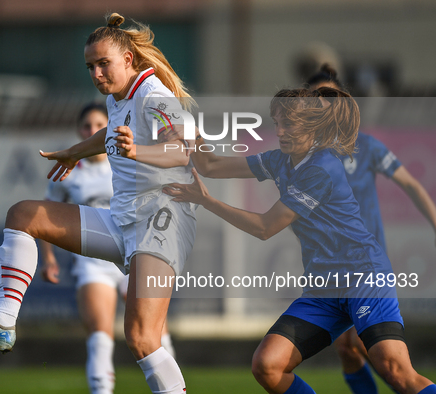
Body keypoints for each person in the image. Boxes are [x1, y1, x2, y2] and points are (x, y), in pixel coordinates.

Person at [0, 13, 195, 394]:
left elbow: (182, 151)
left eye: (103, 64)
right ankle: (2, 323)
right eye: (90, 66)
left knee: (142, 339)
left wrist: (138, 149)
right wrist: (75, 153)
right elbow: (110, 134)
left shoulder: (153, 94)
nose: (96, 74)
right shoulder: (118, 97)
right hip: (123, 222)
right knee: (23, 215)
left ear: (128, 60)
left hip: (160, 227)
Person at [164, 87, 436, 394]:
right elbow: (211, 166)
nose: (279, 131)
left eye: (288, 124)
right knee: (267, 365)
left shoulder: (321, 168)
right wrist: (193, 135)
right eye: (276, 122)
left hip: (364, 277)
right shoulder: (280, 161)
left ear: (312, 127)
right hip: (323, 288)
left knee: (395, 371)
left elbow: (265, 227)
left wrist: (207, 201)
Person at [307, 64, 436, 394]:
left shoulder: (366, 145)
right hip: (332, 268)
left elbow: (411, 185)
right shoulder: (306, 155)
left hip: (366, 265)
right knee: (350, 349)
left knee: (380, 357)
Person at [40, 102, 176, 394]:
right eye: (87, 126)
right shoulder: (72, 170)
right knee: (100, 339)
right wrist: (48, 257)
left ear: (109, 128)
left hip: (134, 252)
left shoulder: (129, 159)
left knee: (154, 335)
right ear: (80, 132)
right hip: (93, 260)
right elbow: (48, 215)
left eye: (98, 126)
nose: (92, 130)